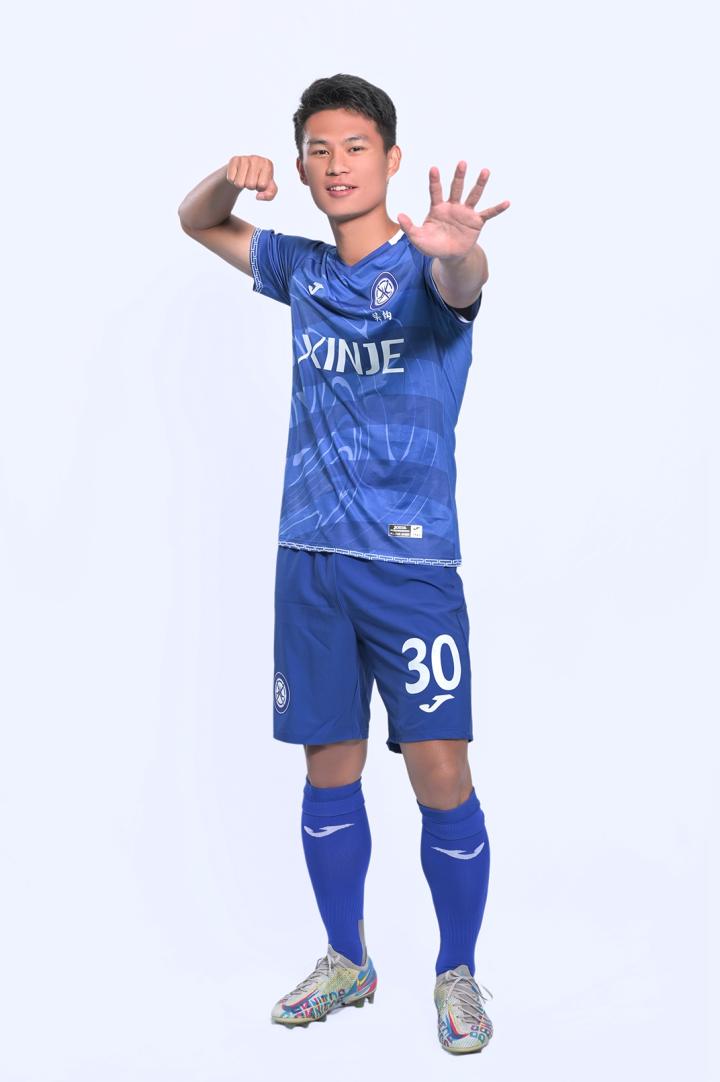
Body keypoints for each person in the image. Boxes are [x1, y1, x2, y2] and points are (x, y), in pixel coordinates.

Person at [177, 72, 510, 1056]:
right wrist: (225, 178)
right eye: (318, 149)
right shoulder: (303, 269)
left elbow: (463, 284)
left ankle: (457, 972)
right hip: (310, 561)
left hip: (411, 567)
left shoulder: (427, 263)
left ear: (390, 159)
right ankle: (346, 959)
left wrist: (459, 253)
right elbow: (197, 220)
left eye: (355, 147)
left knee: (441, 771)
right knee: (330, 768)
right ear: (302, 165)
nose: (336, 164)